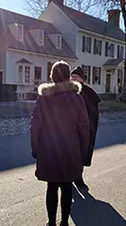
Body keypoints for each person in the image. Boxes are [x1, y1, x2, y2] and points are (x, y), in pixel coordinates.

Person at [31, 61, 91, 226]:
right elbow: (84, 128)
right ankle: (64, 222)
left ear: (52, 76)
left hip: (48, 148)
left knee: (51, 186)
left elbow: (35, 126)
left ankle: (51, 222)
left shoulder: (44, 99)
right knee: (66, 186)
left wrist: (35, 148)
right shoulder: (77, 99)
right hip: (71, 148)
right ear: (68, 77)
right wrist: (83, 151)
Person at [70, 66, 101, 192]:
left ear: (82, 79)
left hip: (84, 129)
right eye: (72, 77)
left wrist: (88, 128)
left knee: (81, 154)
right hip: (69, 130)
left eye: (76, 77)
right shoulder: (67, 91)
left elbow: (93, 114)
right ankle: (68, 176)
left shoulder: (88, 93)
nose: (73, 79)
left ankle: (78, 177)